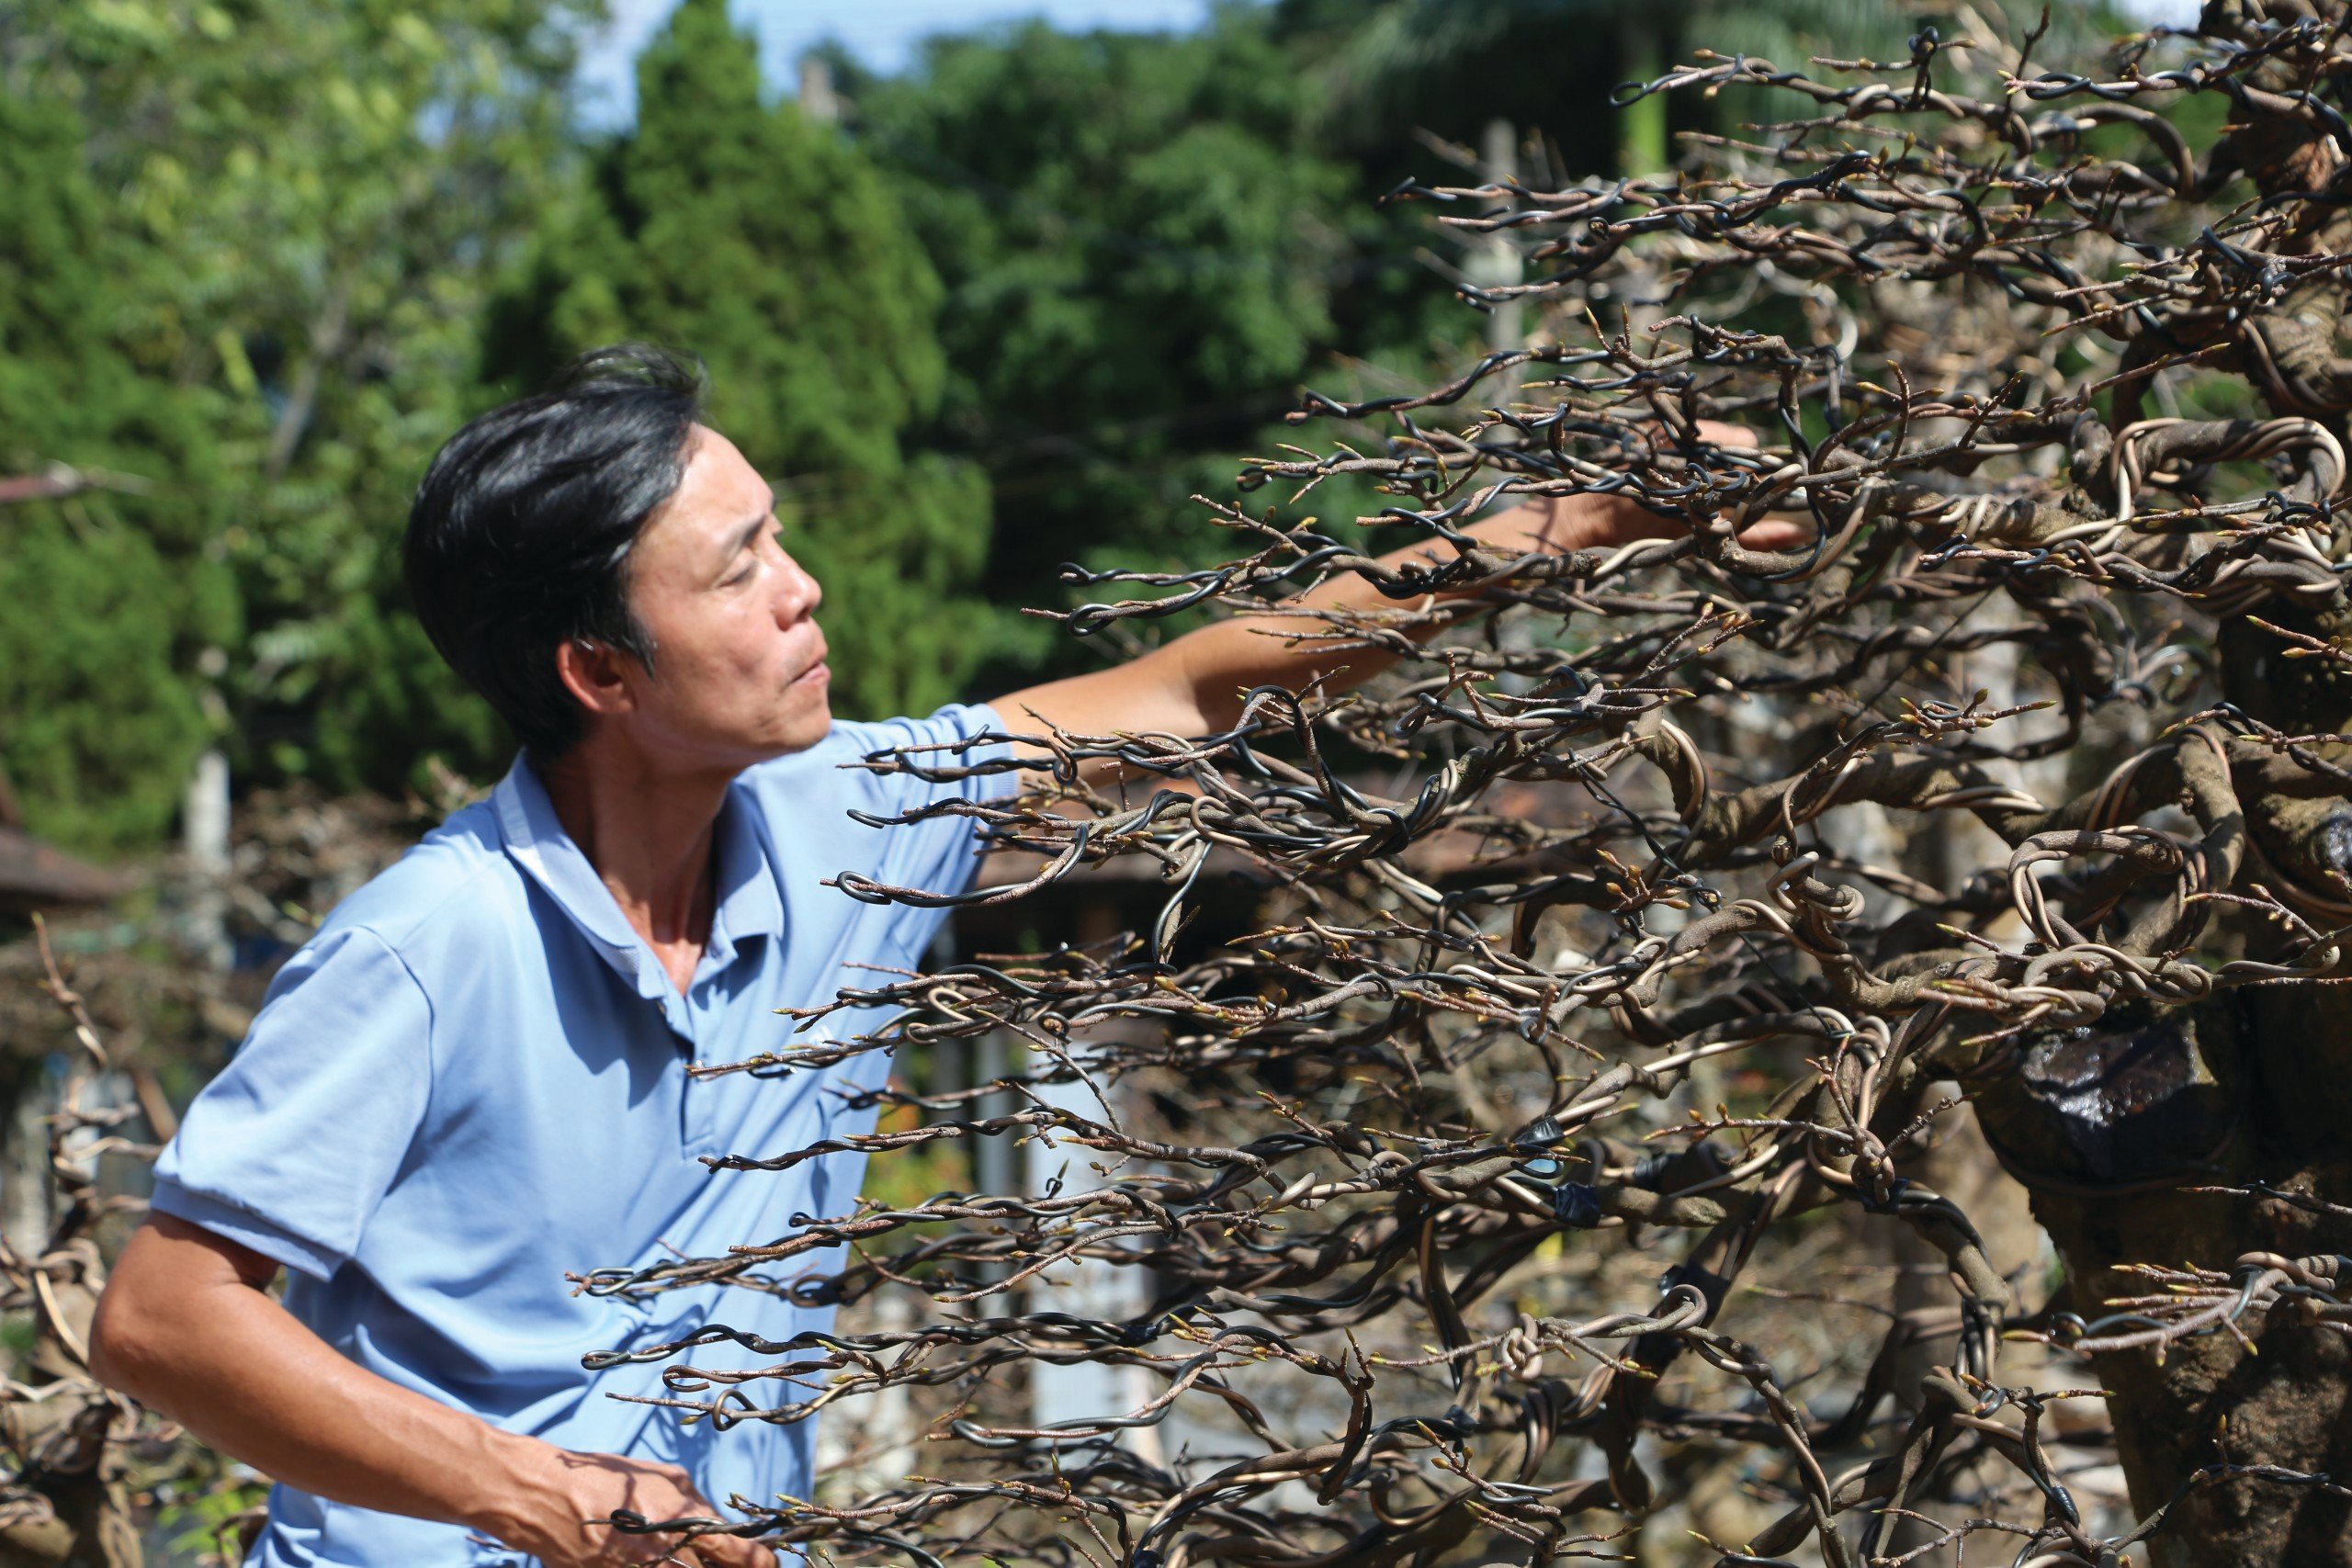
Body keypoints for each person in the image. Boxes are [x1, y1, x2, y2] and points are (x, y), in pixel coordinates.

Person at [87, 345, 1787, 1568]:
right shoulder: (425, 948)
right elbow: (163, 1319)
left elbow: (1199, 687)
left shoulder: (857, 814)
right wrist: (547, 1499)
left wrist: (1589, 523)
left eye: (781, 536)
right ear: (600, 673)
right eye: (740, 569)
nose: (804, 591)